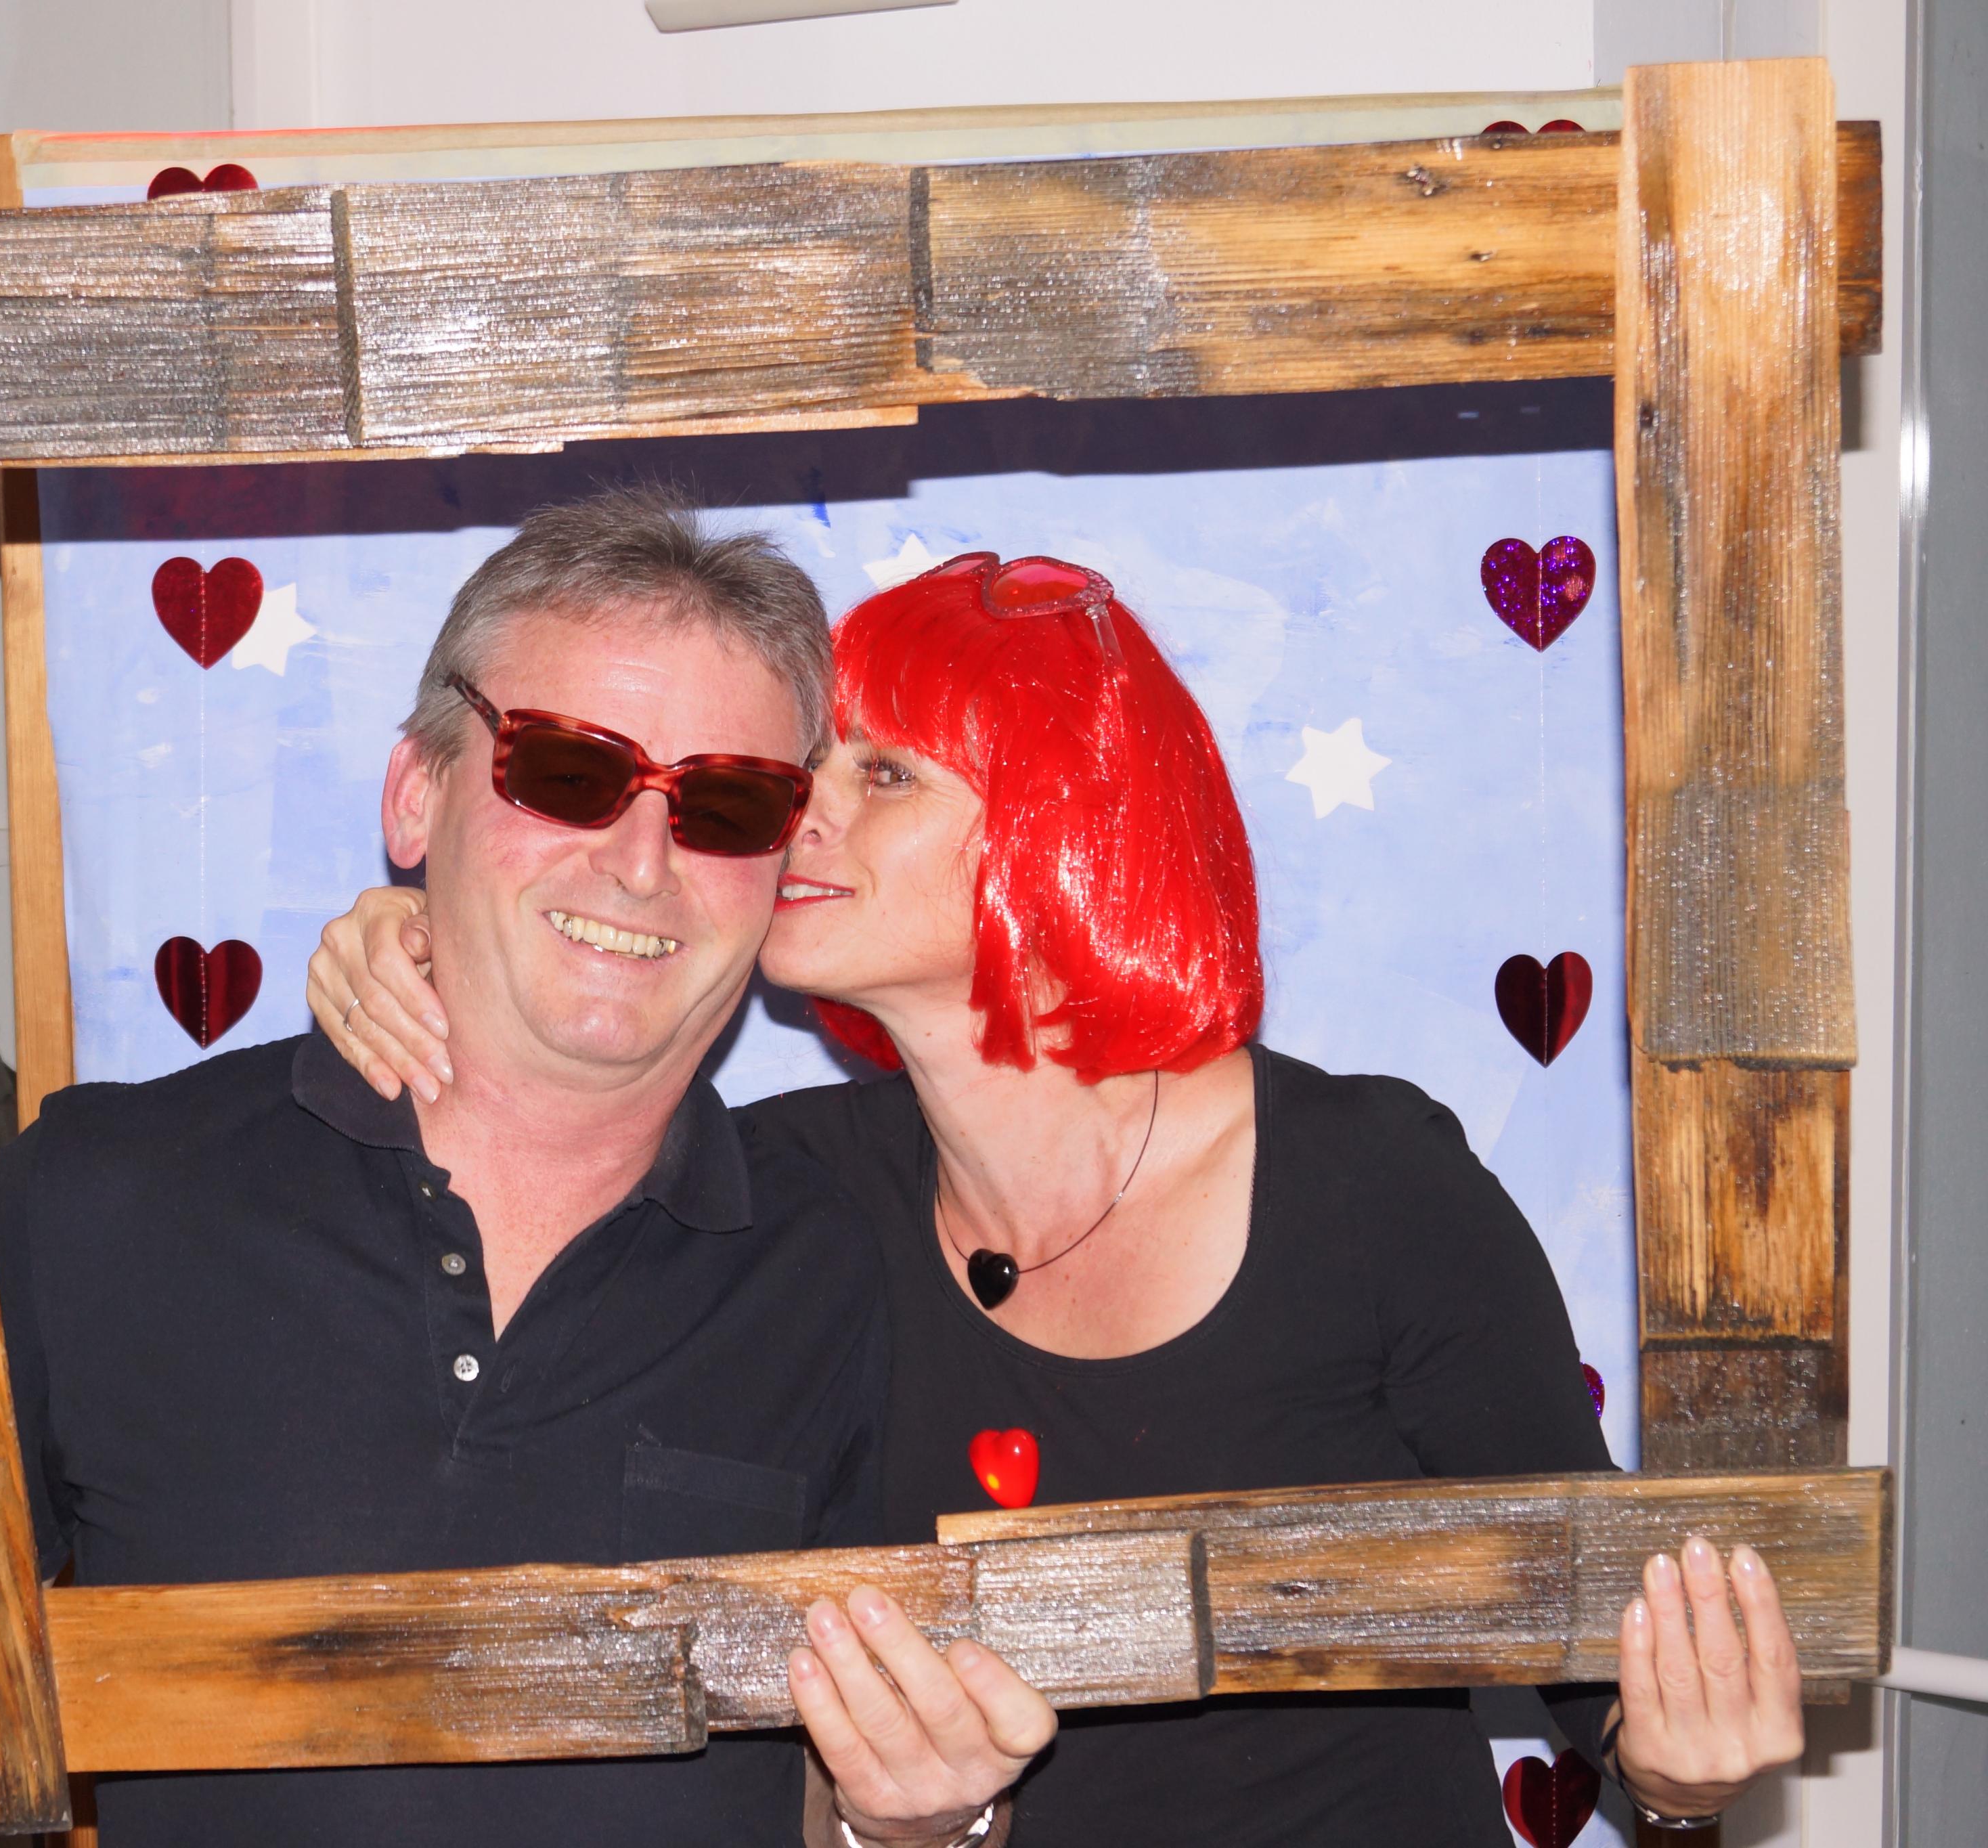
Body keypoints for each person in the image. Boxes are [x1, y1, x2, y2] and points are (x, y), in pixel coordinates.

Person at [311, 548, 1809, 1845]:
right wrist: (419, 924)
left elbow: (1610, 1657)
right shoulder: (790, 1194)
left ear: (1059, 826)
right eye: (804, 772)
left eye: (882, 773)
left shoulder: (1367, 1188)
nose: (796, 815)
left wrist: (1675, 1780)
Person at [0, 494, 1059, 1848]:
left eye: (725, 803)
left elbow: (859, 1773)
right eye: (569, 772)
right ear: (416, 795)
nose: (642, 861)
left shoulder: (848, 1267)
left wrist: (924, 1825)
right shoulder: (102, 1193)